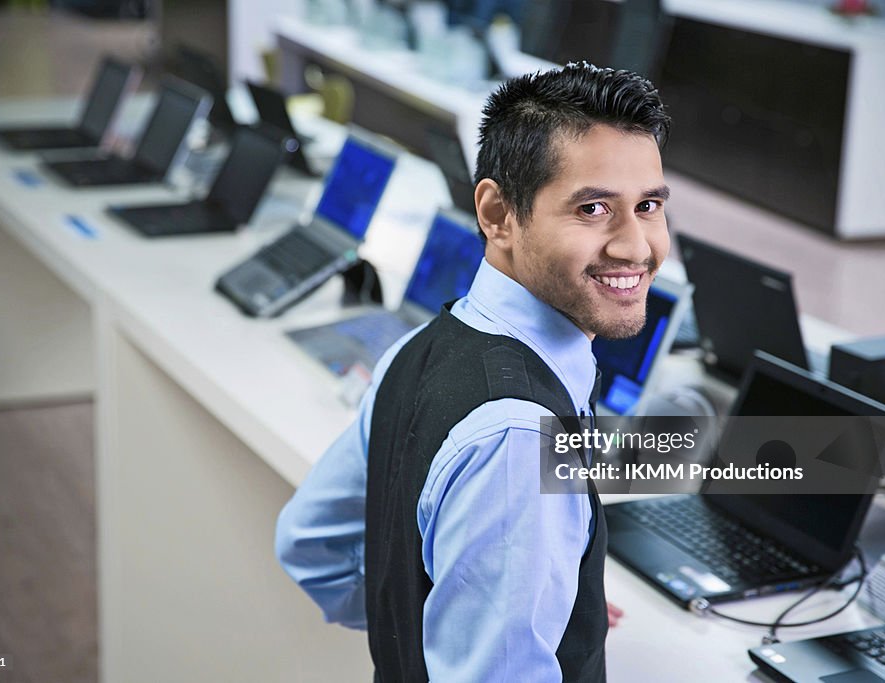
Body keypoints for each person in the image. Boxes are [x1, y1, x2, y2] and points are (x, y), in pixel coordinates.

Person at [276, 62, 672, 682]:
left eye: (647, 205)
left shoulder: (420, 346)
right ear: (497, 213)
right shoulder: (519, 438)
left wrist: (446, 616)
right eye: (593, 208)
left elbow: (308, 546)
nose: (635, 245)